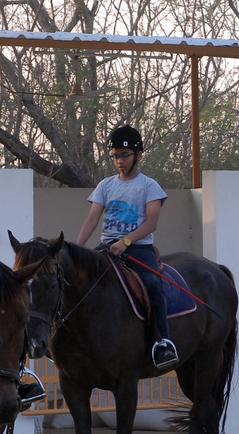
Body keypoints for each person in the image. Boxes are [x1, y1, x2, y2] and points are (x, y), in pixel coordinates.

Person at [76, 124, 177, 370]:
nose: (119, 161)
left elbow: (151, 222)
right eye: (115, 156)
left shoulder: (149, 186)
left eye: (124, 155)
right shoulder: (105, 185)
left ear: (138, 155)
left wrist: (126, 242)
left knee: (153, 284)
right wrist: (75, 248)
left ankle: (162, 342)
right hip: (107, 247)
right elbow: (92, 219)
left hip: (138, 248)